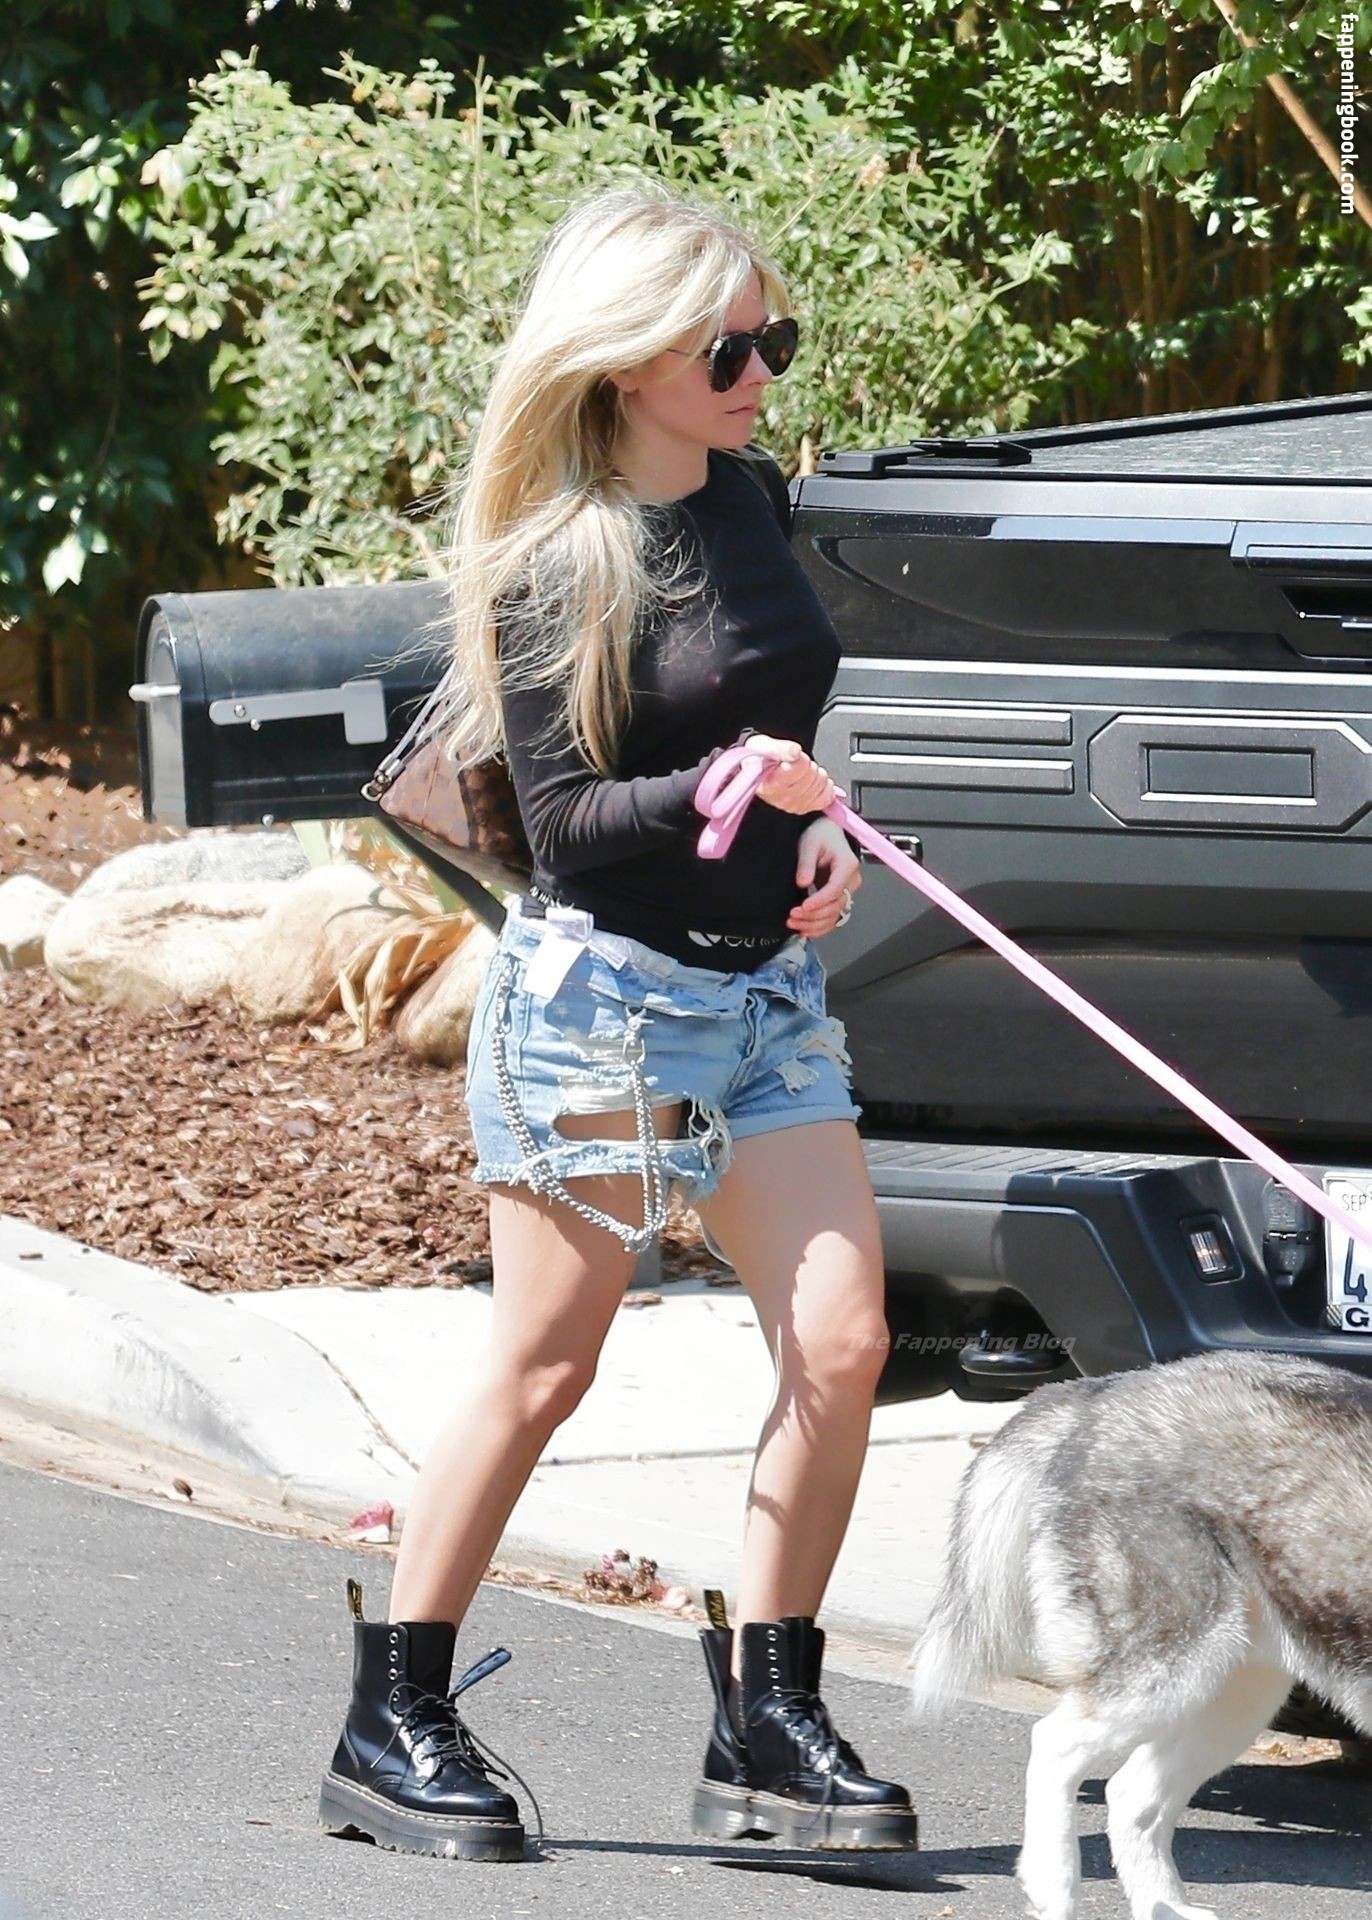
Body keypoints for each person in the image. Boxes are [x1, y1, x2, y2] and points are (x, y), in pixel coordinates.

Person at [319, 180, 918, 1861]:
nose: (761, 372)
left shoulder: (750, 499)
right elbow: (572, 825)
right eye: (729, 349)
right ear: (629, 356)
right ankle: (391, 1719)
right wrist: (735, 785)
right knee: (547, 1363)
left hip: (764, 996)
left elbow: (776, 725)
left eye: (772, 339)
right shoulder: (555, 554)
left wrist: (815, 832)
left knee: (844, 1344)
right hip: (605, 1008)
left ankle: (768, 1727)